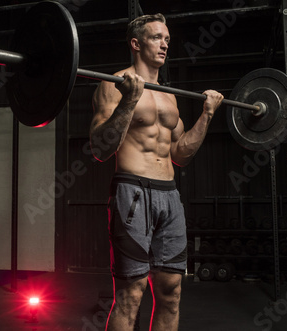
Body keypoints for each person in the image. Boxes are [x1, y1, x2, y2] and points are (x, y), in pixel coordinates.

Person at [89, 13, 224, 330]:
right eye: (156, 37)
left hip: (170, 197)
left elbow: (180, 155)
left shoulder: (169, 95)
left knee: (171, 294)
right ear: (136, 43)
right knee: (130, 296)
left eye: (167, 38)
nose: (164, 43)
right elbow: (100, 149)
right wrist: (130, 100)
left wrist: (206, 115)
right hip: (132, 193)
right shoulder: (113, 85)